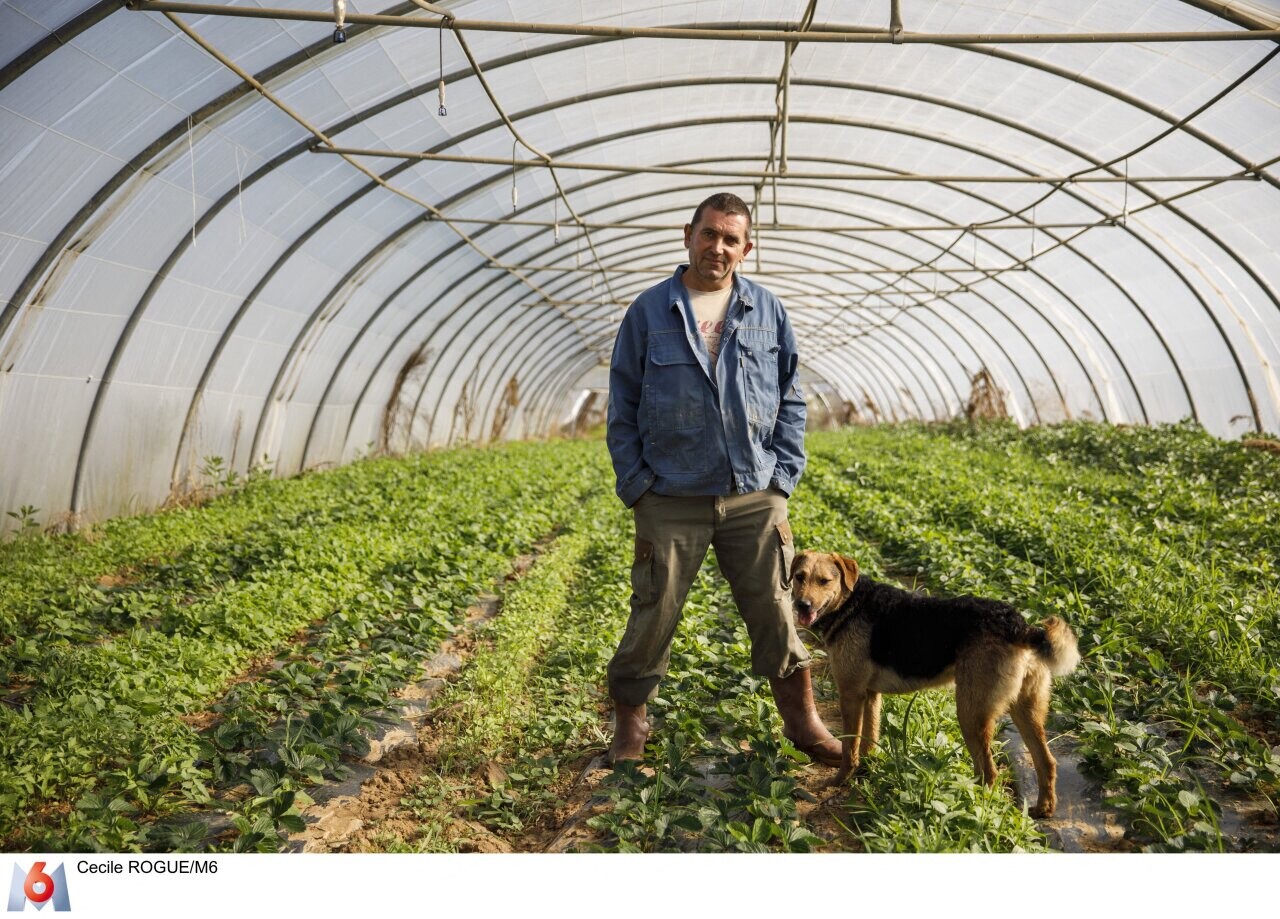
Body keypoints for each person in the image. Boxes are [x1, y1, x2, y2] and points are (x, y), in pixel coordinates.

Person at [603, 191, 841, 768]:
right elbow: (623, 403)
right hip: (670, 495)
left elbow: (790, 397)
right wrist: (638, 485)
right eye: (709, 234)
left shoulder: (767, 311)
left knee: (776, 609)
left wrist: (782, 479)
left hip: (753, 494)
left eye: (731, 239)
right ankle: (631, 721)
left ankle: (803, 721)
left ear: (746, 248)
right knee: (653, 609)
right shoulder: (650, 311)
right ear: (688, 235)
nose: (718, 247)